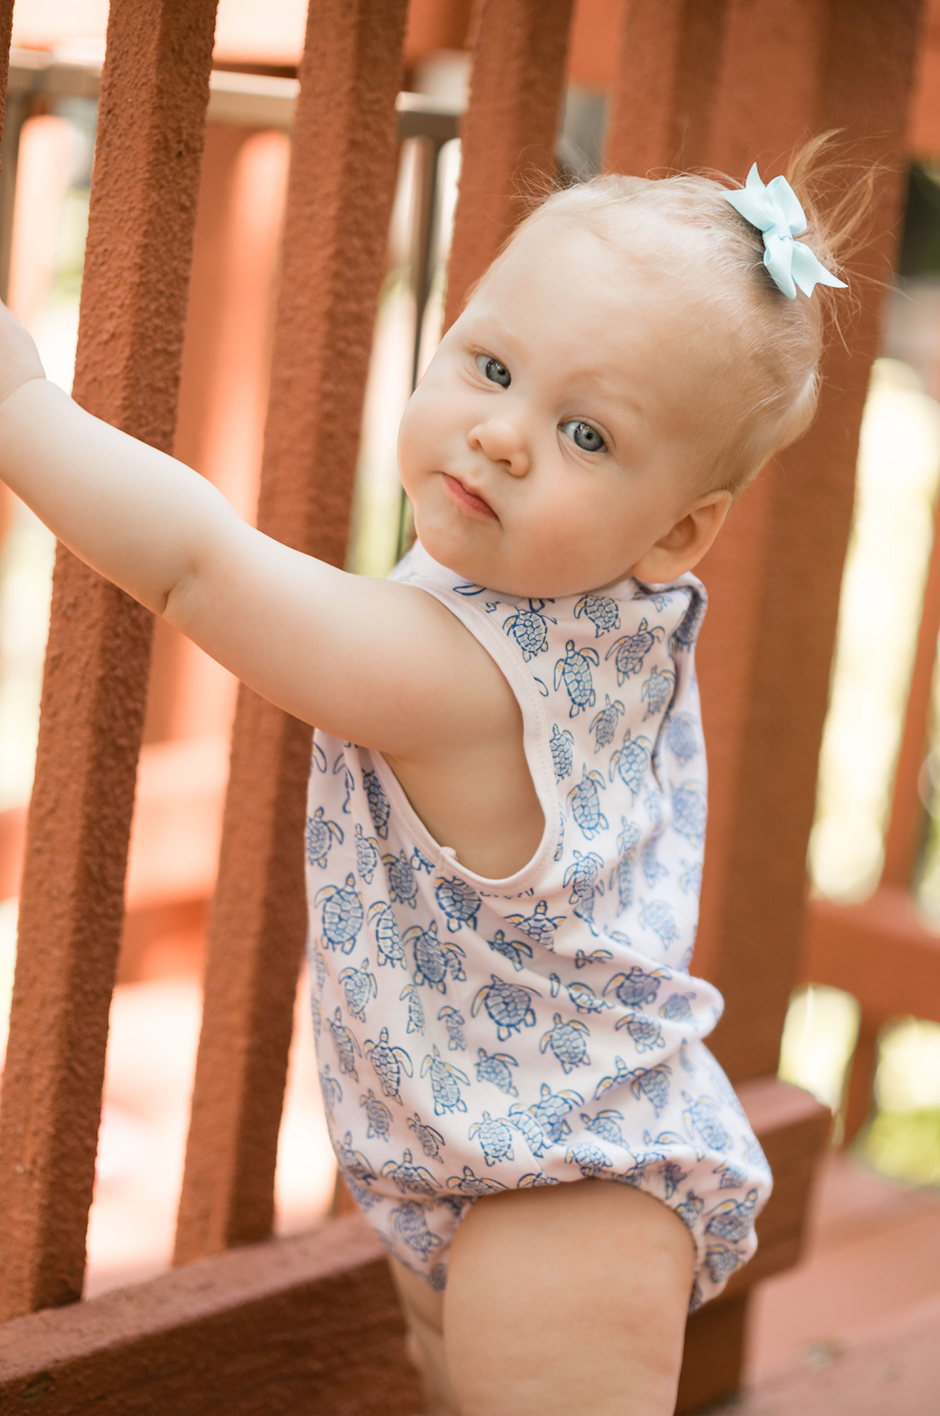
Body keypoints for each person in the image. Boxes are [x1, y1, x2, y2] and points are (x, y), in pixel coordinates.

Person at [0, 146, 852, 1415]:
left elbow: (199, 570)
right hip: (488, 1154)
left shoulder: (462, 676)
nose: (502, 435)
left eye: (584, 434)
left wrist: (23, 408)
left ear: (678, 530)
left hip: (564, 1195)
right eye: (491, 366)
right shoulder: (598, 613)